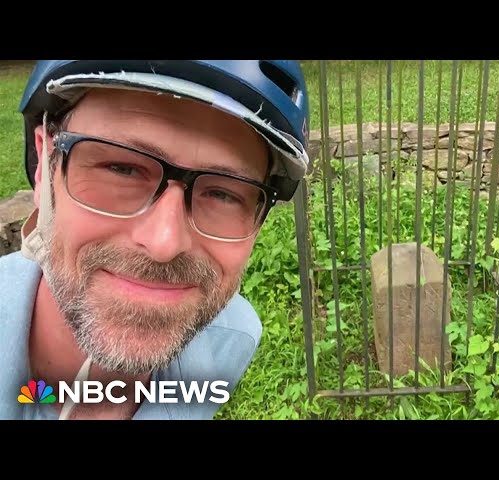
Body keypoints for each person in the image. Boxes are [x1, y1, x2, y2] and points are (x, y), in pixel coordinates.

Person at [0, 60, 310, 420]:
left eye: (224, 194)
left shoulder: (231, 339)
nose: (164, 243)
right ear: (44, 164)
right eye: (122, 168)